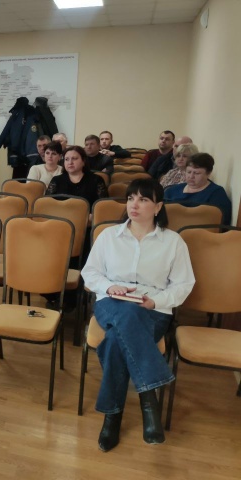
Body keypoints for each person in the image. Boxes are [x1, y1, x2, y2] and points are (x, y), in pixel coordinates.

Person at [81, 178, 195, 452]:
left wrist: (155, 301)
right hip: (111, 302)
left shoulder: (173, 242)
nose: (134, 204)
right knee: (127, 315)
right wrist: (110, 287)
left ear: (158, 206)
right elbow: (90, 273)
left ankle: (112, 416)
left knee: (114, 342)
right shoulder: (109, 236)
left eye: (143, 199)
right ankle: (149, 399)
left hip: (152, 309)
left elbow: (183, 284)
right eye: (131, 198)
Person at [164, 153, 232, 224]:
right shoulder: (171, 190)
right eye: (189, 172)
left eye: (197, 173)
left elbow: (221, 221)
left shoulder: (216, 194)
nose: (191, 176)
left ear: (208, 174)